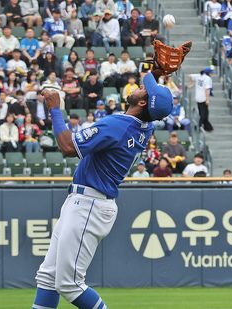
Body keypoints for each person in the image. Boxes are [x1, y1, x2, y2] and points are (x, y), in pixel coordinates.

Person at [32, 64, 175, 309]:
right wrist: (157, 71)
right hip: (86, 201)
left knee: (69, 283)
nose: (139, 88)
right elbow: (154, 104)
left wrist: (55, 109)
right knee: (48, 276)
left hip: (89, 203)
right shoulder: (144, 124)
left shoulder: (119, 126)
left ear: (142, 104)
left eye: (143, 90)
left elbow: (68, 148)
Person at [190, 67, 214, 132]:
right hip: (203, 98)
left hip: (198, 97)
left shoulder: (198, 76)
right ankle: (198, 126)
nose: (212, 74)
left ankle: (208, 127)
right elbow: (207, 90)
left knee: (204, 113)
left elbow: (190, 76)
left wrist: (191, 84)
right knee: (204, 114)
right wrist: (207, 99)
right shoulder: (207, 78)